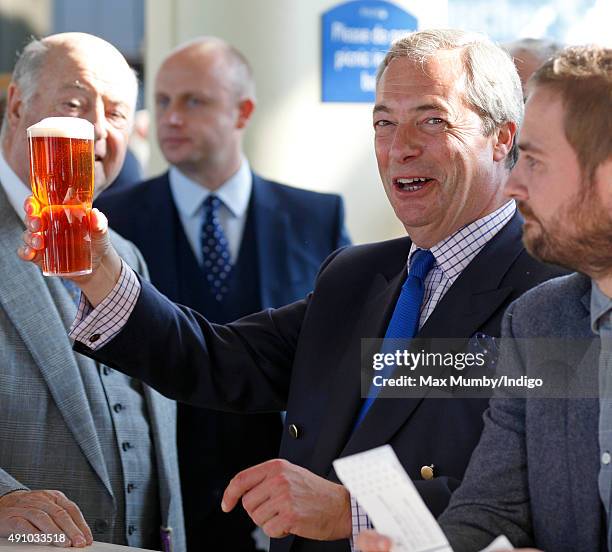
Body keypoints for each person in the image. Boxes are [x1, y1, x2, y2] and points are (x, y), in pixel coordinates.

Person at [21, 29, 563, 552]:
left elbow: (545, 500)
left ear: (502, 138)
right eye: (383, 122)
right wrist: (98, 269)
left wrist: (349, 512)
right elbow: (215, 360)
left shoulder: (555, 295)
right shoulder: (354, 278)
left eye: (431, 121)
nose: (399, 148)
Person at [95, 36, 350, 552]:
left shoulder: (316, 217)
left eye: (193, 100)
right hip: (165, 499)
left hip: (284, 501)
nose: (170, 117)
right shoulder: (111, 223)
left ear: (243, 111)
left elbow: (339, 360)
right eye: (162, 100)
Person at [356, 44, 612, 552]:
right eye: (385, 123)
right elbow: (492, 508)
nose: (514, 183)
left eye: (534, 161)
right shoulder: (542, 318)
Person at [1, 33, 185, 551]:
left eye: (119, 114)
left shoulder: (125, 251)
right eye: (75, 104)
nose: (98, 131)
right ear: (18, 106)